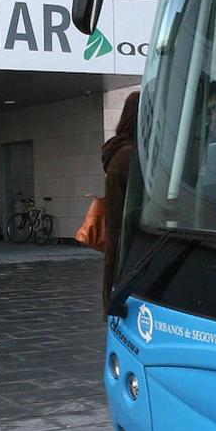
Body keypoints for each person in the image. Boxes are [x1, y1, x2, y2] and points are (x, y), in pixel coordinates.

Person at [101, 90, 139, 315]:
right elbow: (115, 232)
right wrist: (111, 301)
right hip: (133, 240)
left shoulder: (122, 153)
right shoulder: (128, 156)